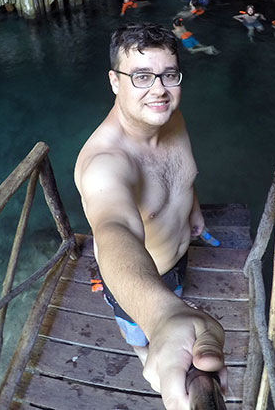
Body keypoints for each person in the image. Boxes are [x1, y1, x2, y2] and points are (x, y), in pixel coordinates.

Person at [74, 23, 226, 410]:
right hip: (137, 285)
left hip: (178, 259)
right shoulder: (105, 163)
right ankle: (146, 359)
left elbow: (182, 175)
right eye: (141, 76)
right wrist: (161, 317)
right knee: (139, 336)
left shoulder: (168, 116)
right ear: (114, 81)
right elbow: (115, 228)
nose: (158, 89)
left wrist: (192, 209)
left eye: (168, 75)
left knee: (174, 292)